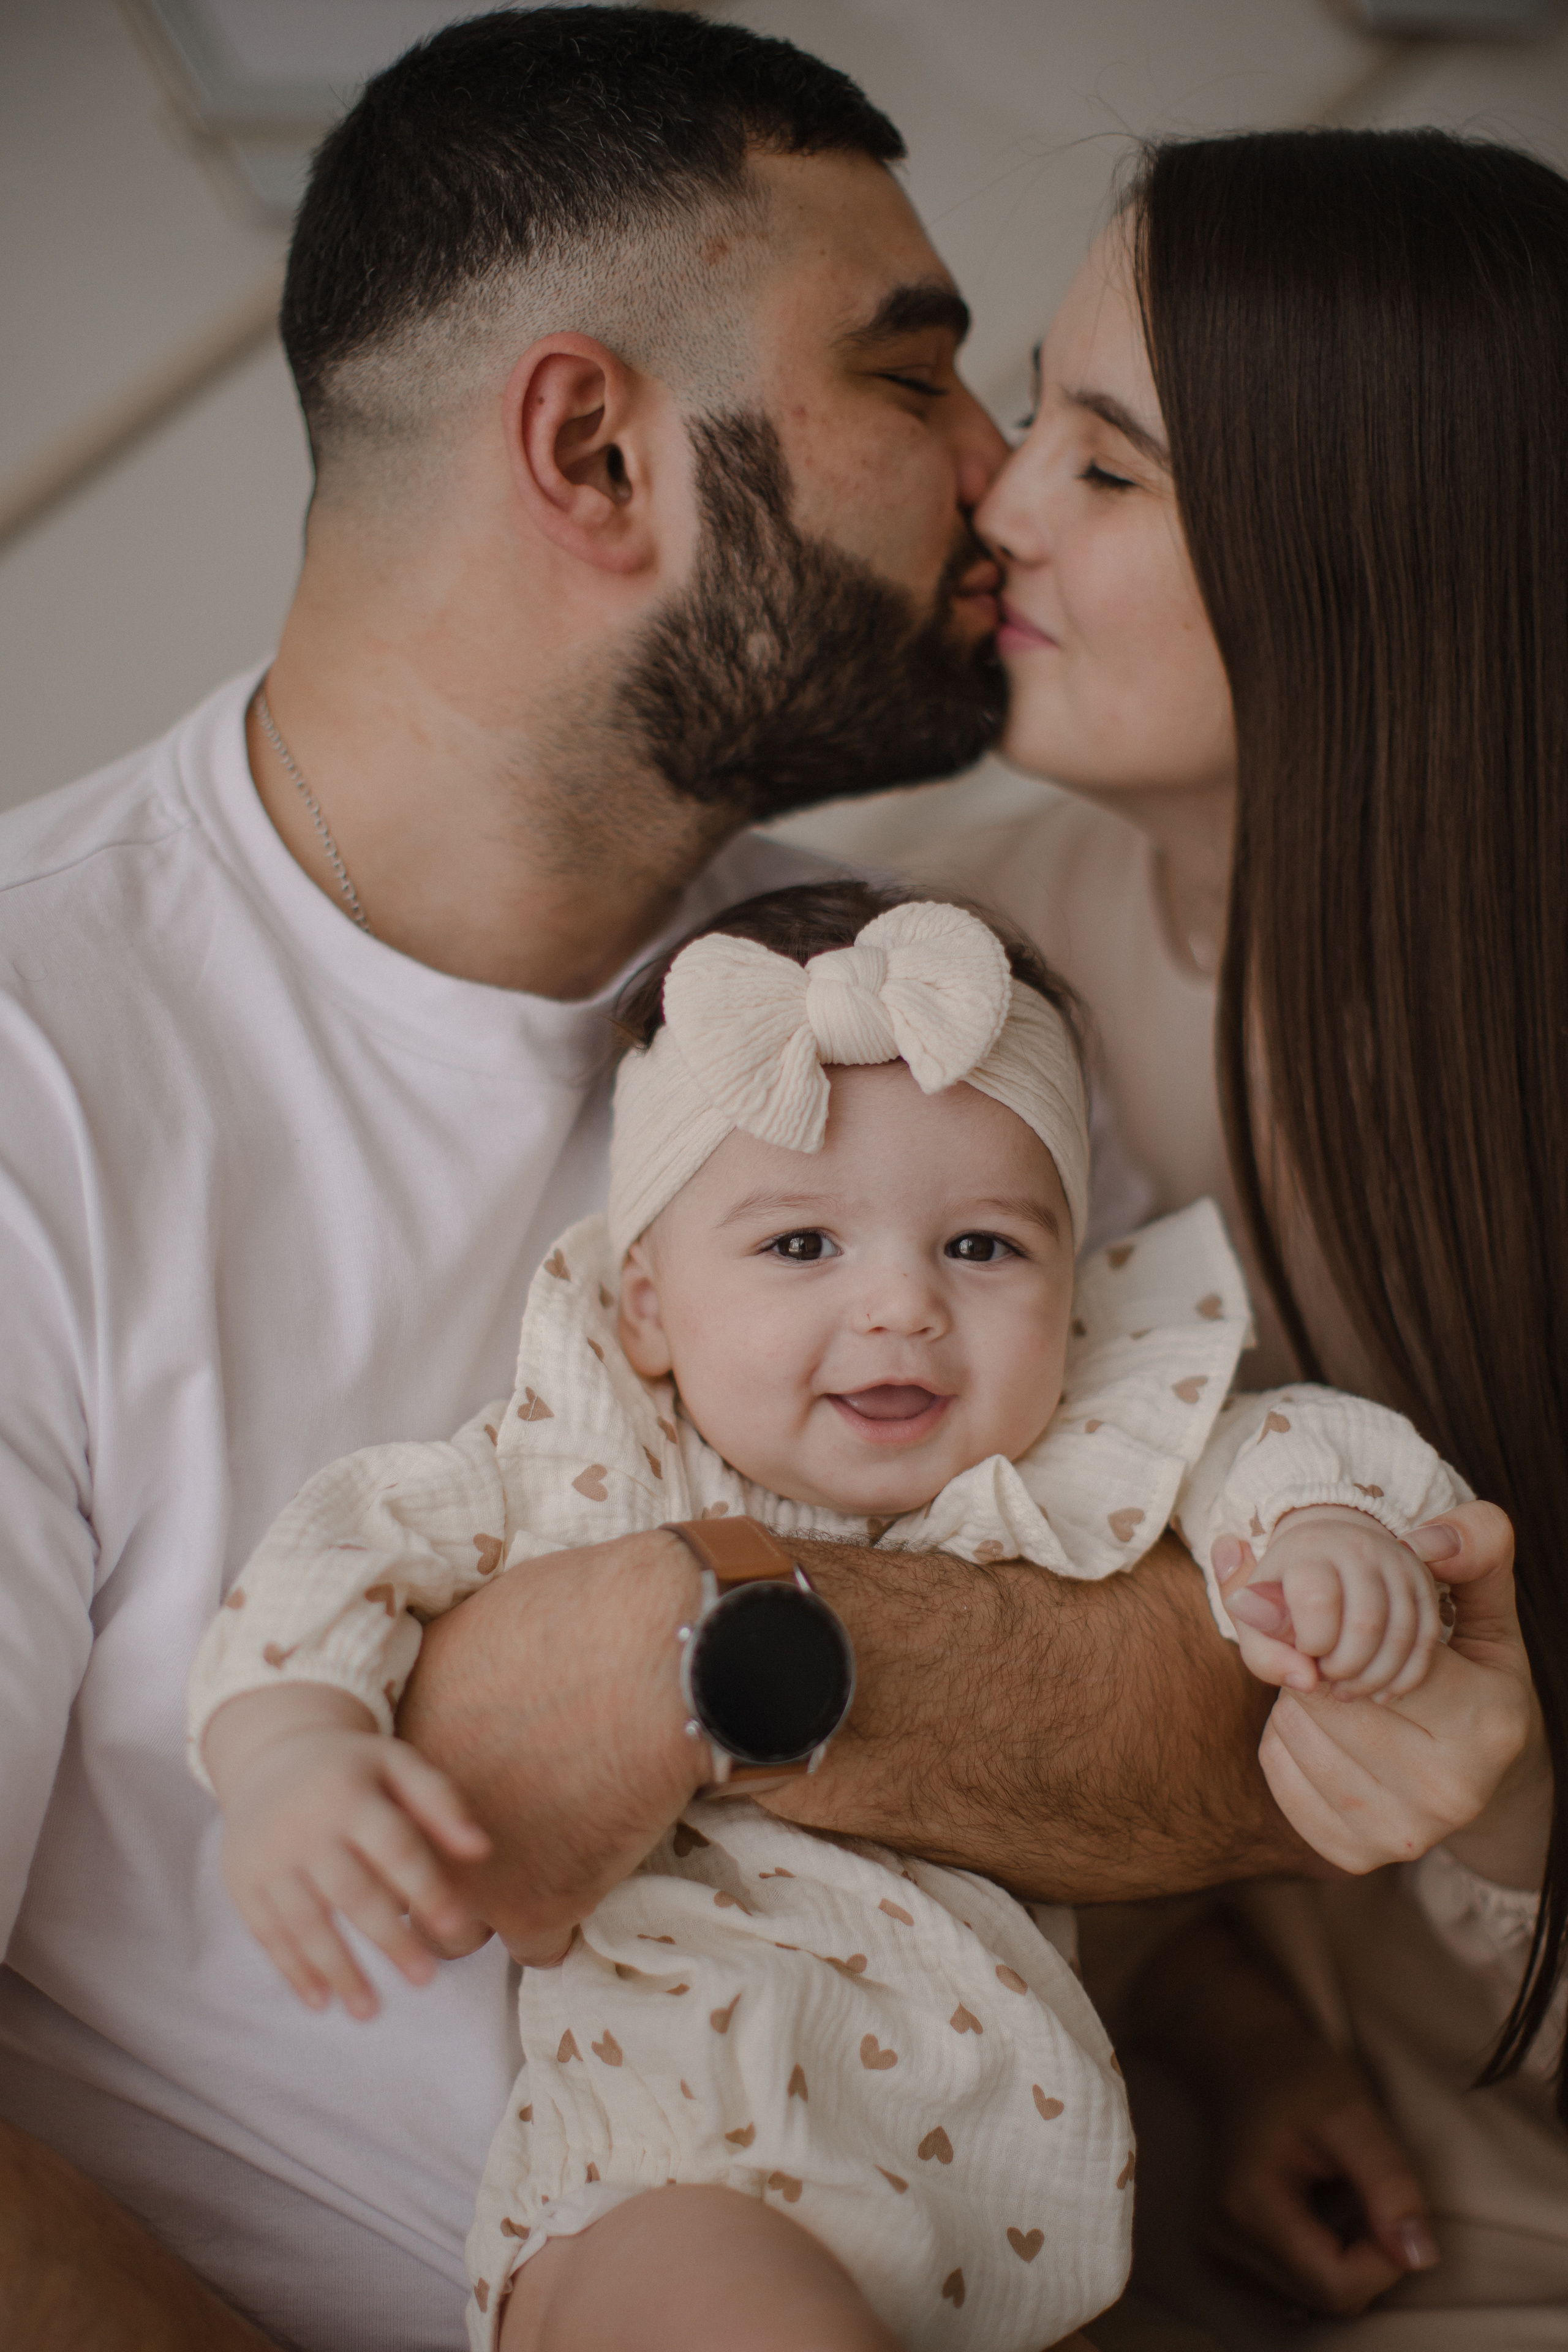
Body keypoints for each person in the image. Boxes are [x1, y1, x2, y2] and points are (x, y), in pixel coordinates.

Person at [0, 5, 1525, 2342]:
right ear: (598, 450)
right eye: (919, 380)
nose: (999, 477)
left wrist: (683, 1645)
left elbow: (1216, 1722)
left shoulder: (915, 995)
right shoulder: (43, 1064)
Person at [189, 881, 1469, 2352]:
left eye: (980, 1248)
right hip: (694, 2159)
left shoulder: (1068, 1458)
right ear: (652, 1307)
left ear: (1070, 1282)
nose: (901, 1307)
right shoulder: (593, 1459)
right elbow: (345, 1546)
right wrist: (291, 1747)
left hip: (1017, 2207)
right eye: (801, 1247)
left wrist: (1323, 1530)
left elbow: (1277, 1439)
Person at [943, 126, 1566, 2344]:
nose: (998, 500)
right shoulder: (959, 953)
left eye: (1109, 471)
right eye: (1038, 423)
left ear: (1374, 562)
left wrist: (1502, 1821)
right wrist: (1231, 2024)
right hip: (1138, 2193)